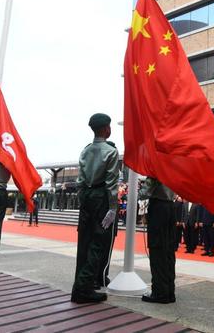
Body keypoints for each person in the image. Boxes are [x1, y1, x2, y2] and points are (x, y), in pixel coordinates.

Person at [71, 113, 120, 304]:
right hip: (101, 198)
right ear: (106, 128)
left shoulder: (85, 150)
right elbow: (111, 183)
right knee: (99, 242)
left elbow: (80, 182)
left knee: (84, 242)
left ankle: (81, 284)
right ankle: (83, 288)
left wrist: (84, 200)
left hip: (87, 198)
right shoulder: (111, 151)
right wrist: (113, 208)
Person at [139, 177, 177, 303]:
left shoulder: (157, 166)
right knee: (169, 252)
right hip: (171, 207)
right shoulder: (174, 167)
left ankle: (159, 292)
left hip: (159, 208)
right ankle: (169, 291)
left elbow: (144, 193)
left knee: (157, 250)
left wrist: (140, 187)